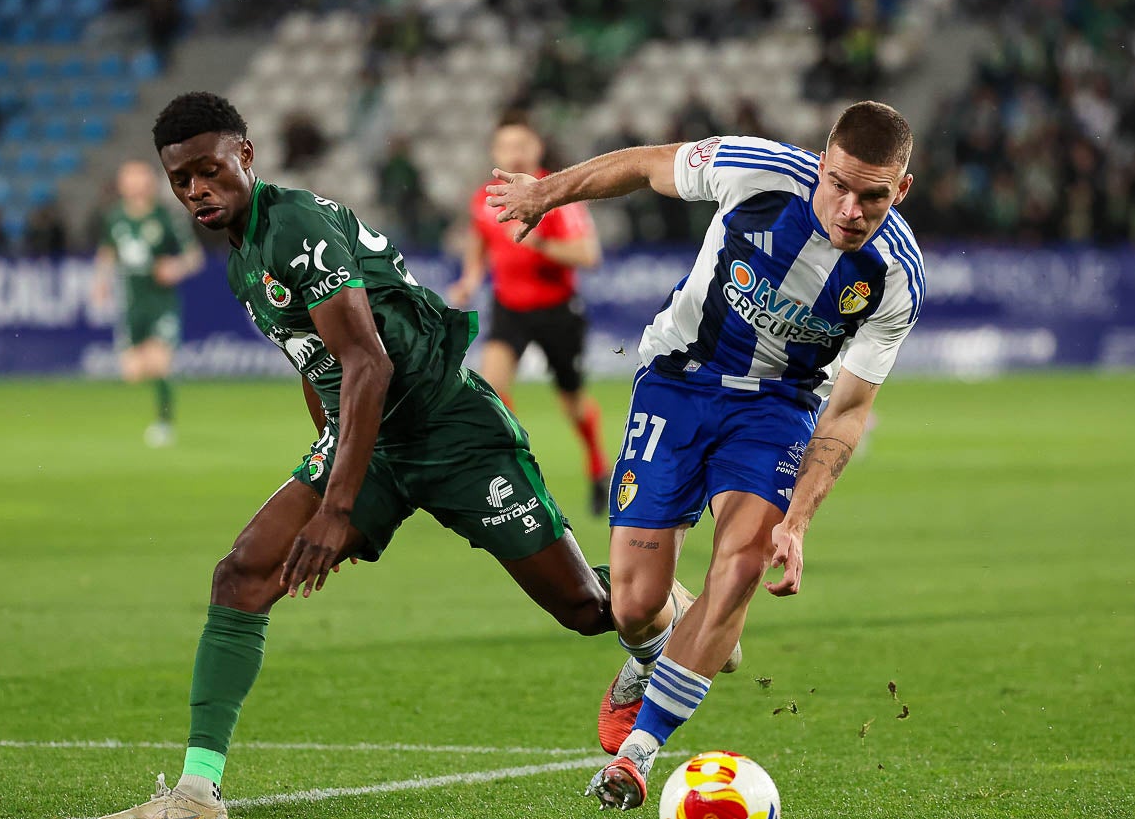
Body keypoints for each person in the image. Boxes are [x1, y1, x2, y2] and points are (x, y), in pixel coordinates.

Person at [95, 91, 634, 819]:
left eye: (209, 169)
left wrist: (336, 507)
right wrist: (326, 463)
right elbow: (319, 370)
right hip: (371, 442)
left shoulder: (295, 229)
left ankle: (660, 607)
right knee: (243, 572)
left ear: (245, 156)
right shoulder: (242, 259)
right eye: (180, 179)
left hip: (449, 427)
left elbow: (368, 364)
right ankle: (195, 792)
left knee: (584, 606)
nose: (196, 190)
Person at [489, 101, 924, 810]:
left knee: (744, 561)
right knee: (631, 604)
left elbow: (846, 411)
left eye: (872, 195)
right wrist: (545, 192)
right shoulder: (754, 172)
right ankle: (661, 638)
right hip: (676, 382)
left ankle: (639, 752)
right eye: (839, 183)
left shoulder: (895, 276)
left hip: (776, 409)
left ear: (899, 190)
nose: (850, 208)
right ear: (821, 163)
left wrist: (800, 519)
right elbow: (640, 162)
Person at [448, 112, 612, 515]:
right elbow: (479, 237)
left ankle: (597, 469)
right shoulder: (484, 196)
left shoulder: (555, 193)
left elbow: (589, 255)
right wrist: (471, 277)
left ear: (537, 149)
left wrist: (540, 244)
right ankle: (515, 470)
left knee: (571, 402)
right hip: (510, 309)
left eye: (521, 145)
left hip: (558, 310)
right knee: (491, 387)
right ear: (494, 152)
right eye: (506, 146)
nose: (514, 154)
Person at [91, 160, 205, 448]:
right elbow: (107, 252)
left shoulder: (165, 217)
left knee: (159, 364)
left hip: (161, 302)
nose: (135, 184)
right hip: (132, 301)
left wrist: (175, 268)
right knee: (132, 372)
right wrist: (100, 282)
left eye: (139, 178)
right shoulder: (115, 217)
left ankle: (164, 424)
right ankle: (156, 414)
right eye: (129, 178)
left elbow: (194, 257)